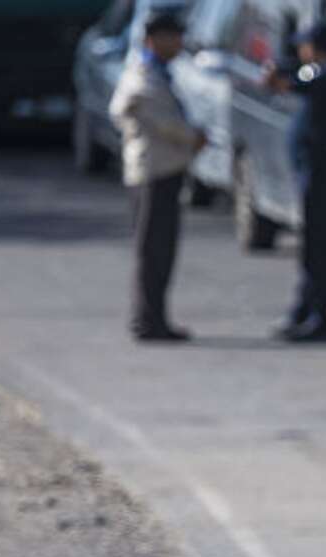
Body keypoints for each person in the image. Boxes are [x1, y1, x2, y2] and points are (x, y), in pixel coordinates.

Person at [263, 20, 326, 342]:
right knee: (312, 246)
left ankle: (321, 317)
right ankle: (305, 309)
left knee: (319, 248)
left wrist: (278, 79)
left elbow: (298, 84)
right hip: (316, 172)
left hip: (324, 174)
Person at [111, 6, 206, 343]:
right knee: (152, 250)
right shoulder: (142, 74)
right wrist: (190, 137)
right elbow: (132, 107)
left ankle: (155, 317)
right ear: (155, 40)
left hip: (166, 167)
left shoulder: (159, 71)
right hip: (153, 170)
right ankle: (148, 321)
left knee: (162, 250)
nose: (179, 43)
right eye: (173, 37)